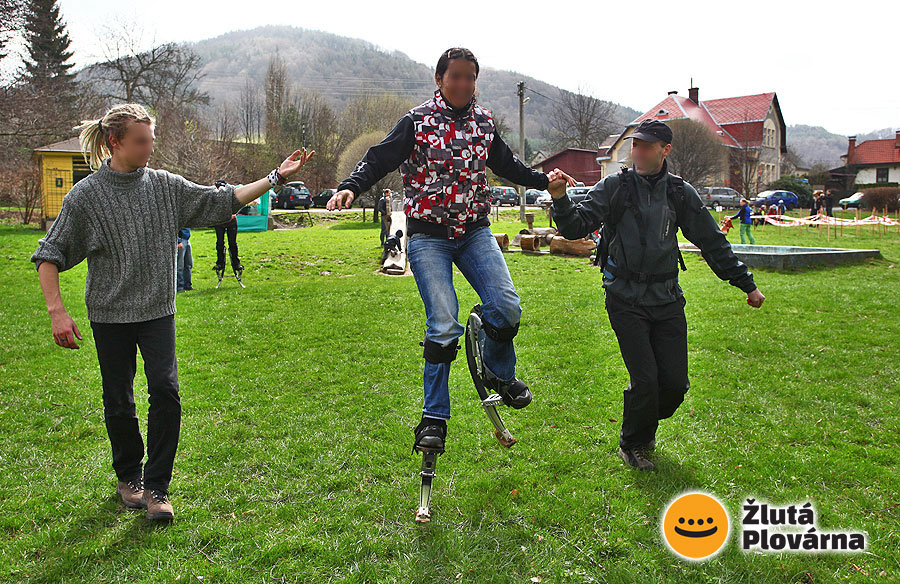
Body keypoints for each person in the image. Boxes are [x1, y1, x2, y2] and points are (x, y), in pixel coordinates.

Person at [31, 103, 315, 520]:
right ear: (115, 142)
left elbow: (222, 200)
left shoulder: (164, 186)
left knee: (165, 391)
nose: (150, 148)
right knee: (119, 400)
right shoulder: (86, 197)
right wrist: (57, 310)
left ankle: (157, 488)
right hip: (109, 314)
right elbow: (48, 254)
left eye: (151, 139)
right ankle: (129, 476)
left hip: (156, 312)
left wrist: (275, 178)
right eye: (141, 141)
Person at [327, 47, 549, 456]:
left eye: (470, 77)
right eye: (456, 77)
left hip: (475, 232)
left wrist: (542, 180)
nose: (463, 84)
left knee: (506, 308)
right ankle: (434, 417)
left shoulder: (484, 122)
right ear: (439, 79)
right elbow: (379, 158)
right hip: (430, 237)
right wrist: (351, 185)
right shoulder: (417, 122)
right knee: (444, 322)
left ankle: (499, 374)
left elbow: (507, 164)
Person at [547, 119, 765, 471]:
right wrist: (560, 199)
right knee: (646, 379)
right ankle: (633, 443)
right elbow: (575, 226)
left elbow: (711, 242)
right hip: (624, 297)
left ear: (665, 150)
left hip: (666, 297)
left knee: (675, 385)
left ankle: (645, 420)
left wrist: (746, 284)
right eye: (635, 145)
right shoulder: (615, 187)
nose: (639, 152)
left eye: (647, 146)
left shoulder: (680, 193)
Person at [213, 180, 242, 275]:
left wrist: (234, 213)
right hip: (219, 221)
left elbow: (238, 204)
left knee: (232, 243)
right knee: (219, 243)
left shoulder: (230, 194)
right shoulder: (214, 195)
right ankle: (220, 263)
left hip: (231, 221)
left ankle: (236, 263)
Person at [176, 227, 193, 292]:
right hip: (181, 239)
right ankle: (179, 286)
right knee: (180, 265)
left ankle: (188, 285)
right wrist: (178, 241)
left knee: (189, 264)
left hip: (187, 239)